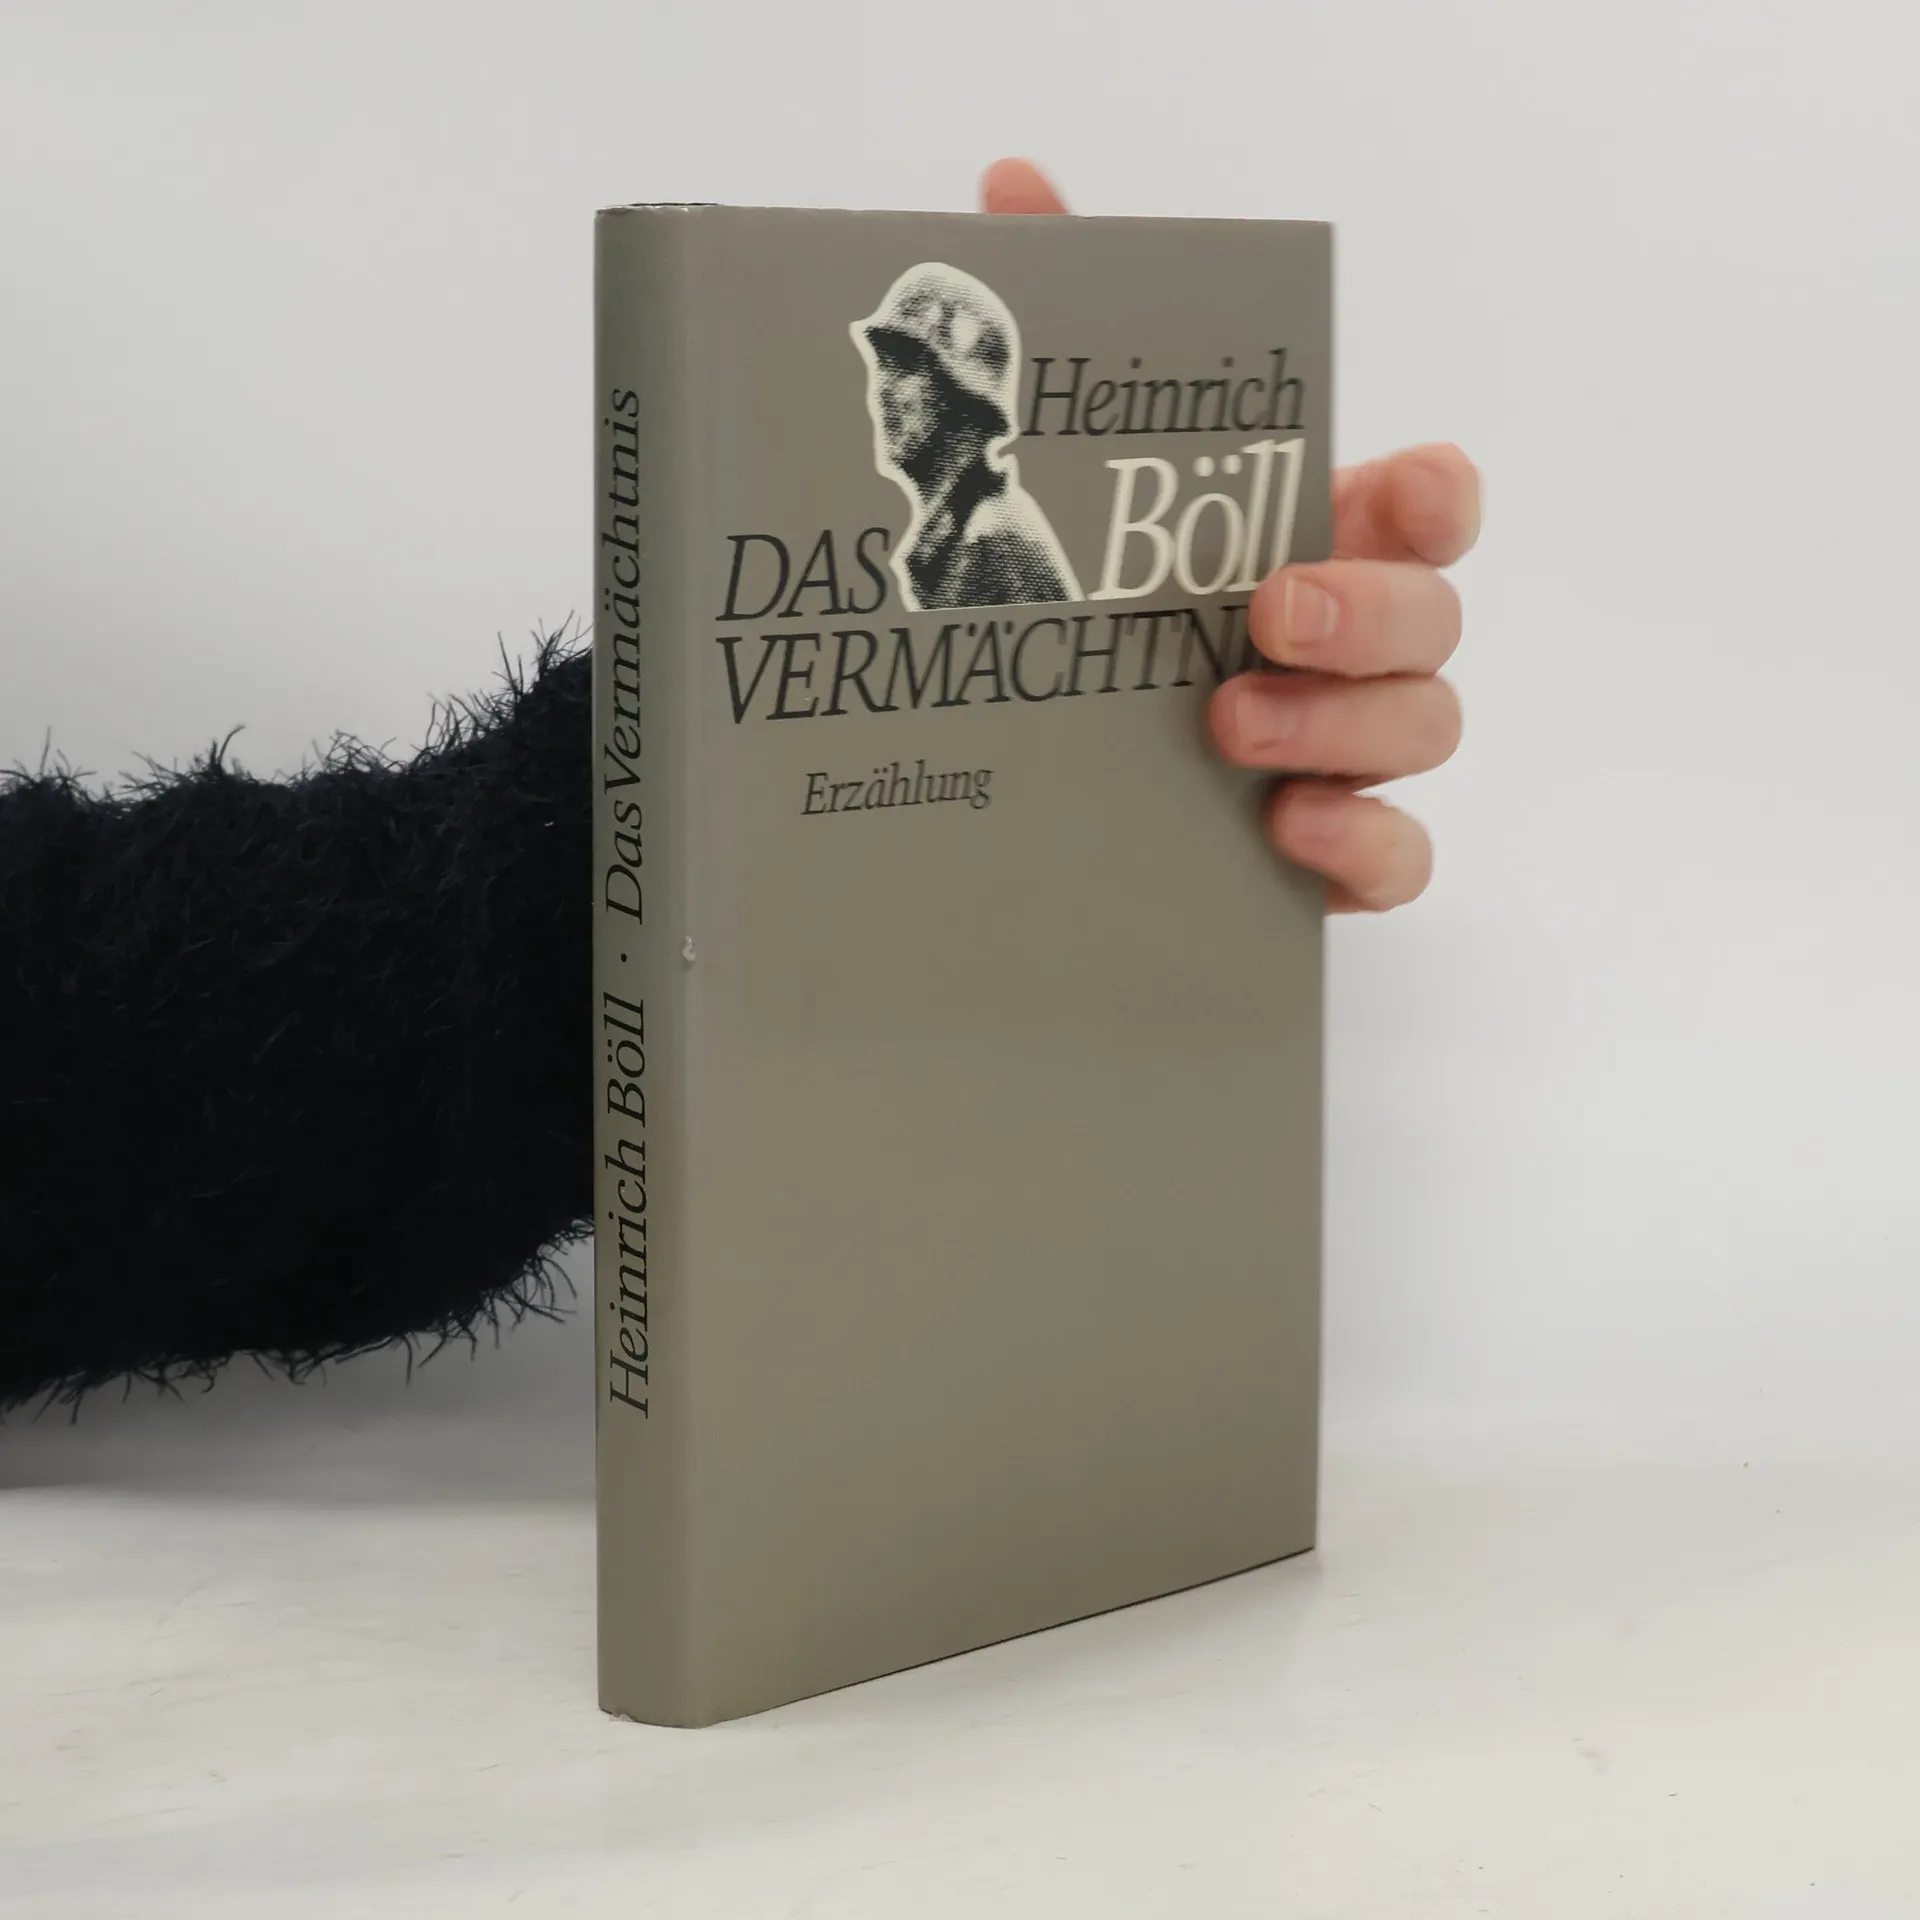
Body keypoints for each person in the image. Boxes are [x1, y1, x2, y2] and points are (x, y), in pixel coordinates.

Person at [0, 159, 1477, 1411]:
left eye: (914, 383)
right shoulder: (929, 552)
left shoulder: (994, 555)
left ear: (973, 404)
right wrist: (666, 842)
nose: (891, 410)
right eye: (884, 378)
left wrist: (1091, 766)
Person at [853, 259, 1084, 609]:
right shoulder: (959, 534)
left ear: (964, 401)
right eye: (883, 366)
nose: (884, 390)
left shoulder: (992, 537)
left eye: (905, 367)